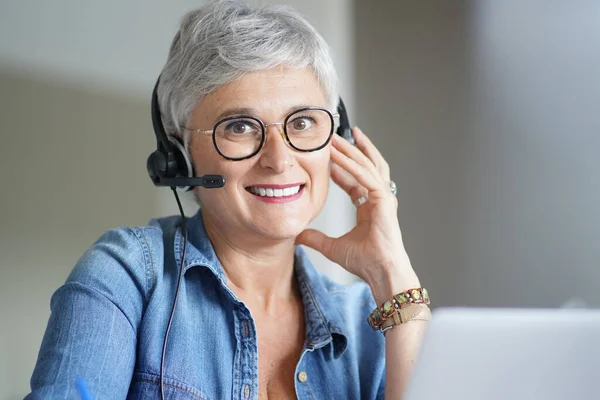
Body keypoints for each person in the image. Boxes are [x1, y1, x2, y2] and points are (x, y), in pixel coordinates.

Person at [27, 1, 429, 399]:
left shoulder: (371, 321)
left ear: (336, 138)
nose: (279, 159)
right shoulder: (127, 276)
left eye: (303, 122)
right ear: (179, 153)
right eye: (239, 126)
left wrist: (393, 276)